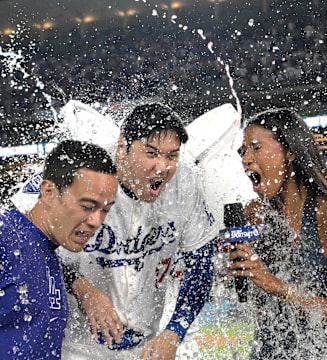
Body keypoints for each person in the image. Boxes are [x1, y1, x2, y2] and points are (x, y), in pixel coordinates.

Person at [57, 102, 217, 359]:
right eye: (151, 153)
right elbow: (29, 238)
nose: (162, 167)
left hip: (146, 347)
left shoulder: (185, 182)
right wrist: (82, 288)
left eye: (171, 156)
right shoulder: (84, 173)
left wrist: (174, 332)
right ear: (122, 148)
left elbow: (201, 266)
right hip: (77, 346)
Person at [229, 108, 327, 359]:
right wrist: (240, 272)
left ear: (290, 151)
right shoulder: (254, 214)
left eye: (256, 148)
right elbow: (260, 308)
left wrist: (275, 285)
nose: (246, 159)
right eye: (244, 150)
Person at [0, 139, 118, 359]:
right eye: (87, 207)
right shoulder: (6, 237)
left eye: (105, 210)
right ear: (48, 191)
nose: (96, 221)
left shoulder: (49, 255)